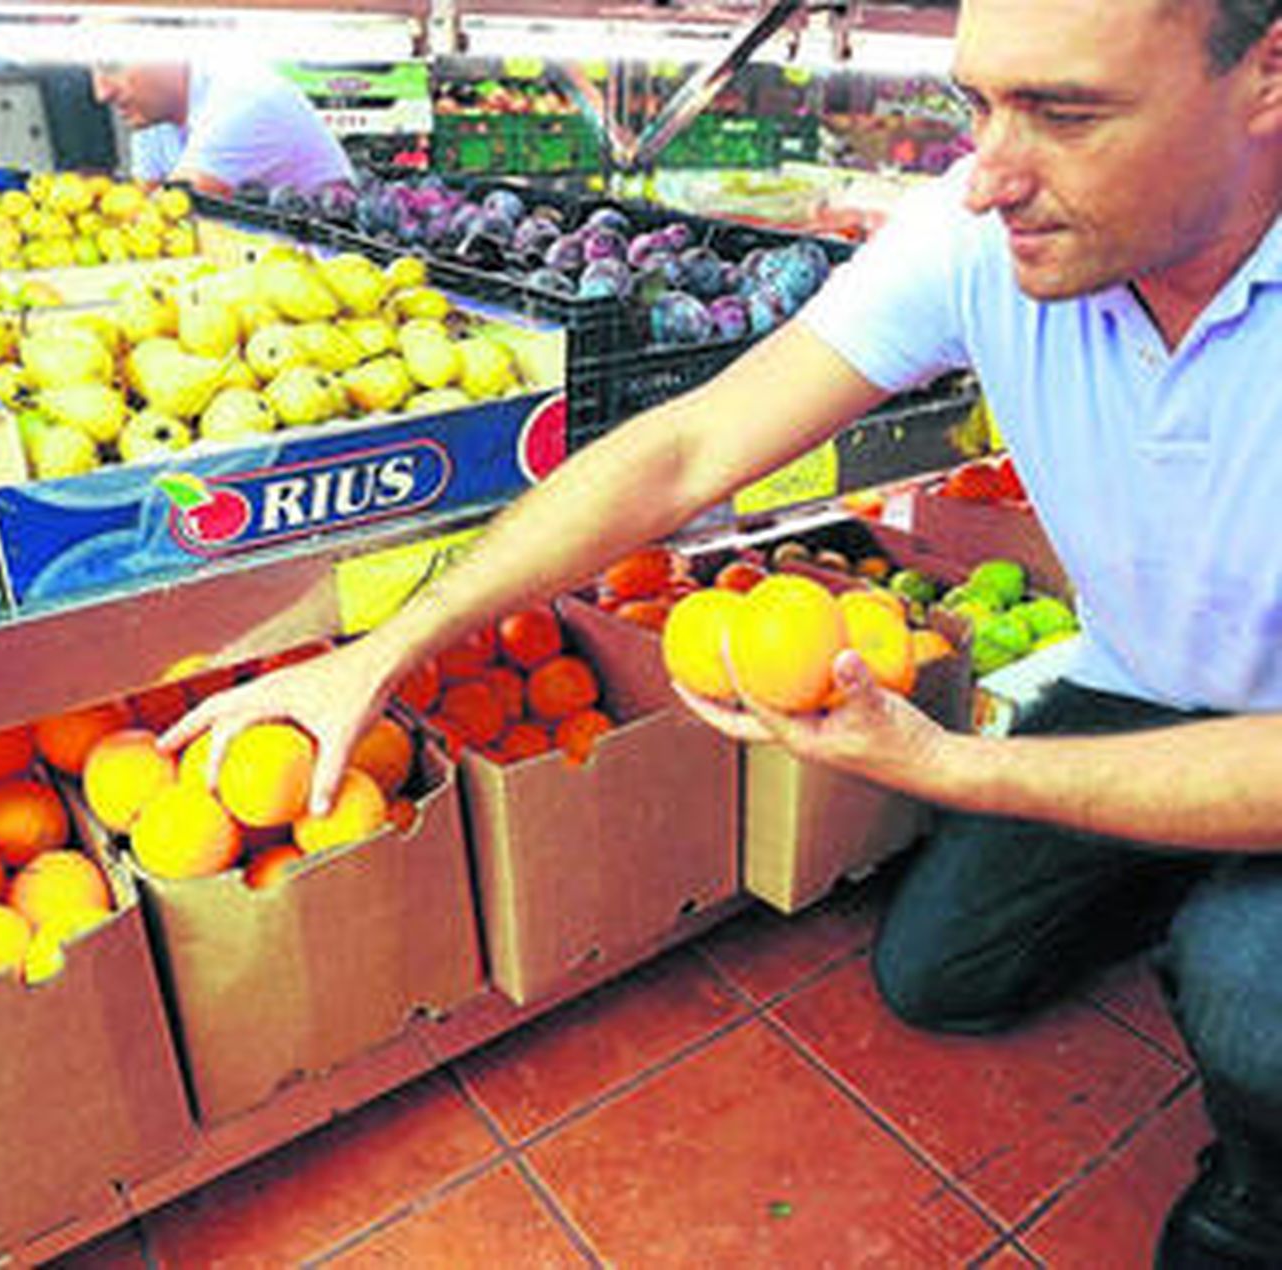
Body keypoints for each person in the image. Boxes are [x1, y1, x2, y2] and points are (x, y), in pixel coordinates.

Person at [161, 2, 1282, 1263]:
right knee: (937, 976)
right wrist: (387, 649)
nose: (991, 175)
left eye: (1067, 113)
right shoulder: (985, 237)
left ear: (1265, 74)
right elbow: (688, 444)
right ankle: (1189, 862)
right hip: (1139, 684)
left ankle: (1256, 1189)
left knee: (1255, 995)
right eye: (977, 104)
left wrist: (953, 766)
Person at [90, 58, 353, 197]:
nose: (102, 93)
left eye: (113, 67)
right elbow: (142, 216)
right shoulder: (152, 115)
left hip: (324, 284)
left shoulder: (244, 98)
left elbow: (171, 215)